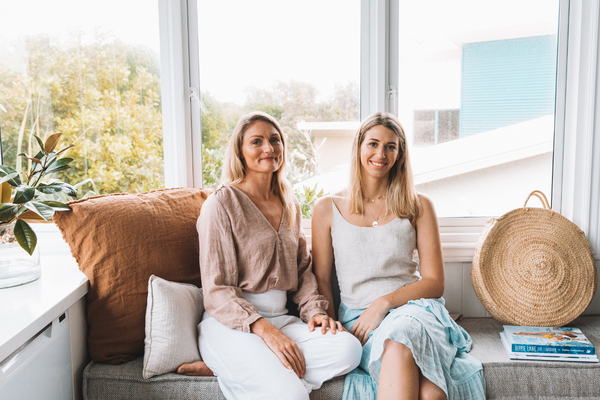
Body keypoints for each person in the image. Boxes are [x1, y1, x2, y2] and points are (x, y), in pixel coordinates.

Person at [178, 111, 362, 400]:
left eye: (275, 140)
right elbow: (216, 290)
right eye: (256, 142)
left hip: (282, 318)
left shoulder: (289, 204)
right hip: (232, 324)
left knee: (349, 349)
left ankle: (231, 369)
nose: (269, 148)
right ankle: (242, 365)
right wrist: (265, 331)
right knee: (290, 395)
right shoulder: (221, 204)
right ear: (240, 151)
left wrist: (315, 312)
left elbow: (302, 271)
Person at [311, 112, 486, 400]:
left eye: (390, 147)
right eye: (373, 144)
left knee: (401, 334)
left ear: (400, 154)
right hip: (359, 321)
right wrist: (334, 331)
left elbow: (434, 282)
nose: (381, 154)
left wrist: (383, 303)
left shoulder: (419, 205)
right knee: (431, 395)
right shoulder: (327, 208)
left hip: (414, 312)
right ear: (358, 147)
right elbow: (321, 278)